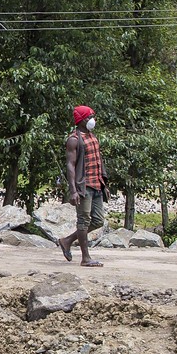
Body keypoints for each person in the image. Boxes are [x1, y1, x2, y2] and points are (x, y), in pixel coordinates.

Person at [59, 105, 106, 267]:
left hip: (97, 184)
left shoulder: (92, 137)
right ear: (81, 120)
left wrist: (104, 183)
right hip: (83, 186)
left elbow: (98, 161)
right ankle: (85, 258)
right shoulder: (74, 139)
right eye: (90, 117)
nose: (93, 119)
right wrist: (73, 191)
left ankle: (67, 241)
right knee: (83, 220)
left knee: (98, 220)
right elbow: (70, 166)